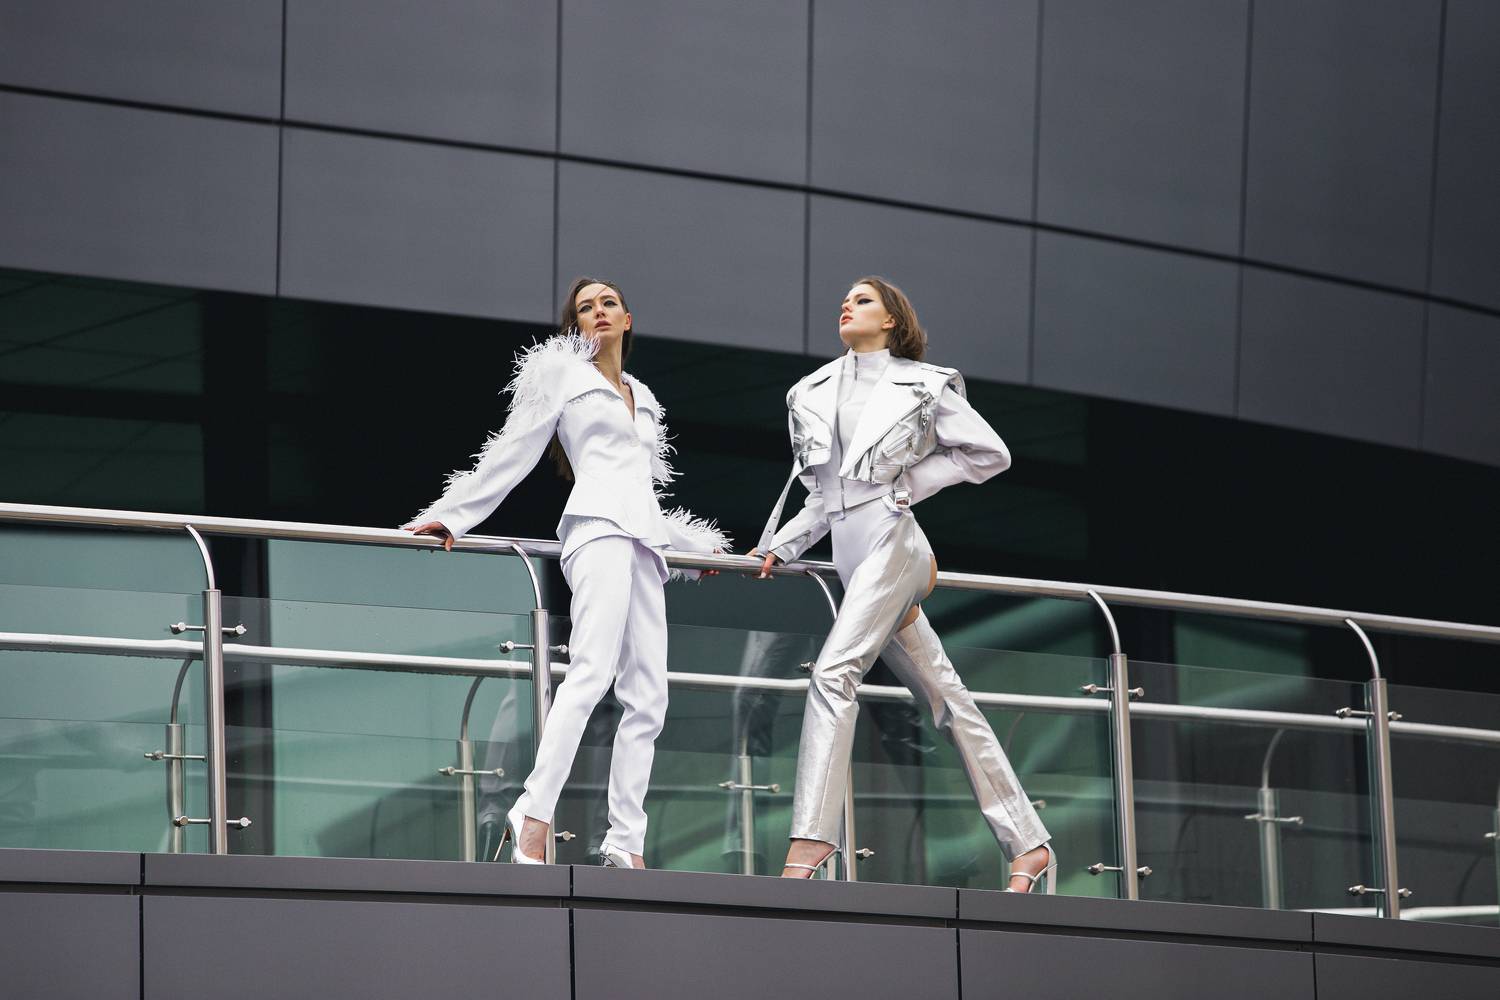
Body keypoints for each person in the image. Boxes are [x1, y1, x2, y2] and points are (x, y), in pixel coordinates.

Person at [406, 277, 728, 869]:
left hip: (645, 546)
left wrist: (699, 549)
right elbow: (513, 448)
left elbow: (643, 490)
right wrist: (454, 515)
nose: (598, 312)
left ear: (627, 319)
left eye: (608, 304)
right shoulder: (563, 376)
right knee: (590, 673)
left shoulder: (642, 394)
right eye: (585, 308)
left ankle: (626, 841)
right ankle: (532, 815)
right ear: (575, 325)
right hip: (596, 531)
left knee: (649, 698)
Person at [753, 277, 1055, 891]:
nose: (847, 305)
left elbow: (988, 453)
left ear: (892, 319)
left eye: (863, 299)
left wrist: (907, 485)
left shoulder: (924, 383)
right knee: (949, 700)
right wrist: (780, 545)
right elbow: (824, 497)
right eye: (845, 299)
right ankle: (1029, 843)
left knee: (833, 672)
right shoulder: (811, 390)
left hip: (895, 543)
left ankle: (812, 839)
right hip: (850, 554)